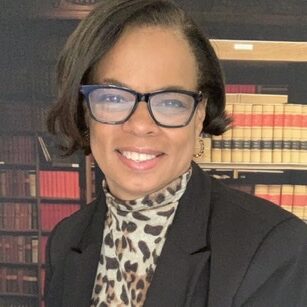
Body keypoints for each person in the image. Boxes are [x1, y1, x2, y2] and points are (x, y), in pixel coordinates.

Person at [44, 0, 307, 306]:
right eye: (113, 97)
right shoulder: (65, 240)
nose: (141, 125)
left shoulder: (275, 250)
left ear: (199, 115)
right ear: (85, 111)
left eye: (171, 102)